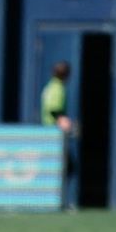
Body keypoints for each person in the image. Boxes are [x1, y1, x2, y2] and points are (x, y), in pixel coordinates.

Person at [41, 60, 76, 209]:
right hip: (54, 135)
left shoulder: (51, 86)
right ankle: (60, 201)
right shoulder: (57, 88)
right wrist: (65, 123)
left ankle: (58, 201)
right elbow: (54, 110)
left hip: (50, 132)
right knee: (66, 168)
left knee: (62, 168)